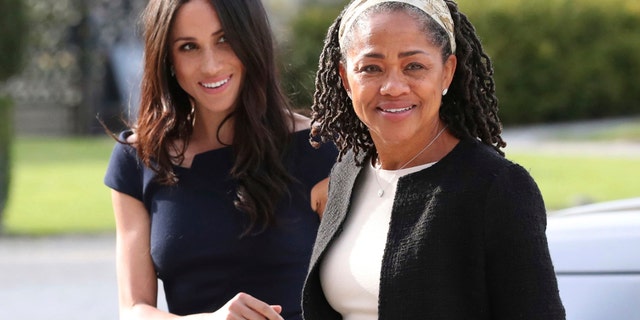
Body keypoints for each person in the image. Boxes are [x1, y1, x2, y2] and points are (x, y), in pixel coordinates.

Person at [302, 0, 566, 319]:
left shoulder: (495, 187)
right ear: (346, 78)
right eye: (371, 68)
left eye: (414, 66)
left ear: (447, 72)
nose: (393, 87)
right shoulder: (347, 174)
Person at [103, 0, 336, 319]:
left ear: (252, 40)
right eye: (188, 47)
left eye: (224, 39)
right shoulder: (138, 158)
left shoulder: (320, 149)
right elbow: (133, 309)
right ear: (167, 59)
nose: (210, 65)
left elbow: (360, 294)